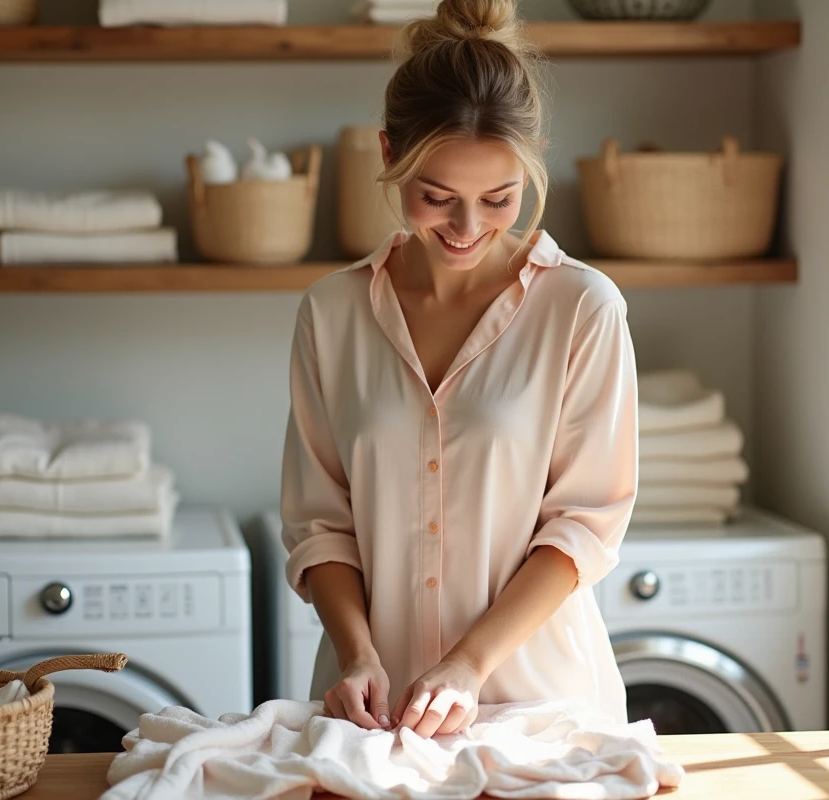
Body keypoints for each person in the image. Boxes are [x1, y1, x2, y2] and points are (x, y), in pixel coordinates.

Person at [279, 0, 638, 740]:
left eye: (498, 199)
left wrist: (469, 665)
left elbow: (583, 525)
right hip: (371, 714)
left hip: (541, 709)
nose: (467, 229)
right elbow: (322, 524)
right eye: (436, 198)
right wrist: (356, 655)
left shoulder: (582, 308)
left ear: (533, 155)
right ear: (387, 155)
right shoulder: (332, 313)